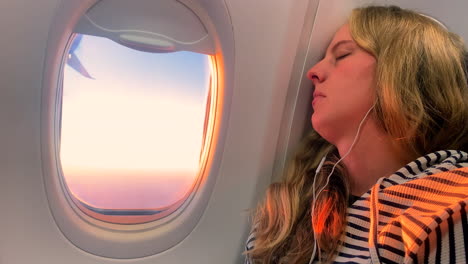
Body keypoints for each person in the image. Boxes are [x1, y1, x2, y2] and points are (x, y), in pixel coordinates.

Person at [244, 5, 468, 264]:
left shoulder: (450, 212)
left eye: (342, 55)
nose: (313, 72)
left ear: (399, 72)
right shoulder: (288, 209)